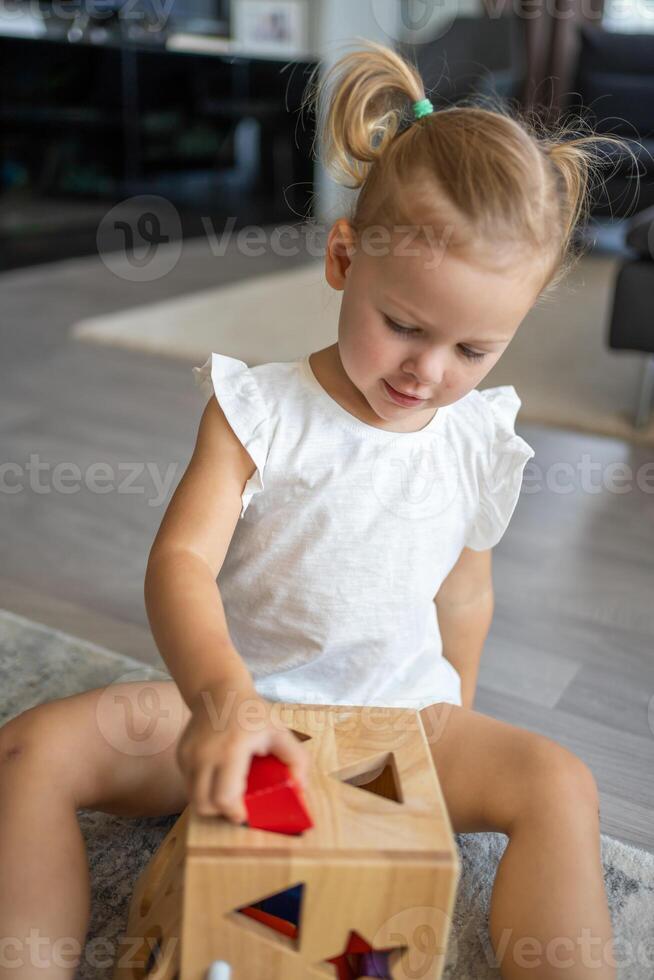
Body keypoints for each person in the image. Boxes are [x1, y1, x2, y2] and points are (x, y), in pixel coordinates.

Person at [0, 38, 637, 980]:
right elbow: (179, 564)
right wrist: (222, 702)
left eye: (474, 350)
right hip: (243, 707)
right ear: (344, 258)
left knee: (562, 784)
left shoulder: (479, 440)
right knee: (33, 751)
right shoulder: (256, 409)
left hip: (403, 721)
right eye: (405, 326)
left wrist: (449, 719)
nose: (428, 373)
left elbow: (464, 595)